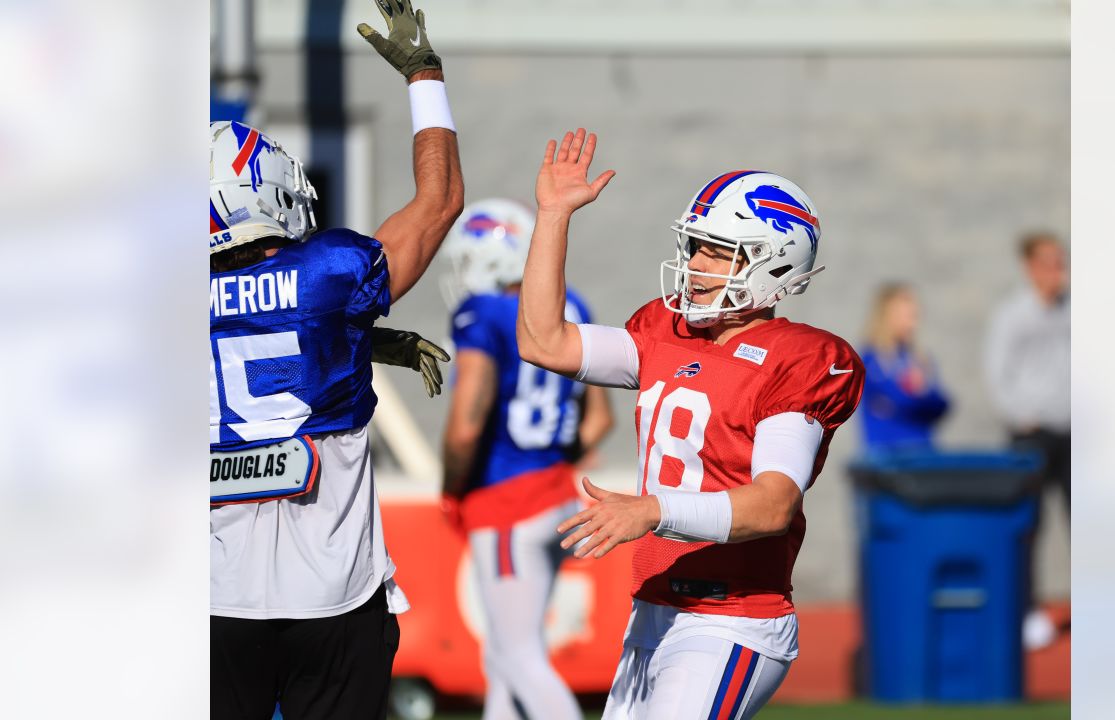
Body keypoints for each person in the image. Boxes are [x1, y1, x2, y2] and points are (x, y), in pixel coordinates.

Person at [516, 129, 864, 720]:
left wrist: (653, 510)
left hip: (732, 620)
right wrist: (552, 216)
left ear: (771, 263)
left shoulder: (800, 360)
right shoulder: (665, 330)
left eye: (716, 251)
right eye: (695, 246)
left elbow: (774, 504)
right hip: (653, 607)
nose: (694, 265)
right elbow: (543, 341)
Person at [208, 2, 463, 718]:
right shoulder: (328, 274)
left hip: (212, 595)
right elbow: (438, 202)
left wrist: (354, 343)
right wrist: (424, 75)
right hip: (333, 593)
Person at [438, 198, 615, 720]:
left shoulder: (482, 312)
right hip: (558, 497)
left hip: (508, 505)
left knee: (518, 656)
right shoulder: (572, 304)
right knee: (503, 655)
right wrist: (556, 458)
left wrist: (450, 488)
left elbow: (467, 425)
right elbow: (600, 418)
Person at [984, 231, 1070, 510]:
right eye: (1049, 263)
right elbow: (997, 372)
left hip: (1072, 429)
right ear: (1030, 268)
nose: (1057, 271)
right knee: (1025, 517)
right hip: (1034, 432)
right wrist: (1021, 416)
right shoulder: (1011, 315)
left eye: (1060, 262)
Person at [857, 282, 950, 455]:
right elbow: (899, 399)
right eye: (907, 316)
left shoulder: (919, 359)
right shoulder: (872, 360)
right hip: (885, 456)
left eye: (915, 316)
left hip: (921, 452)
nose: (913, 324)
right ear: (886, 316)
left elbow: (941, 404)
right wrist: (917, 395)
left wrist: (921, 395)